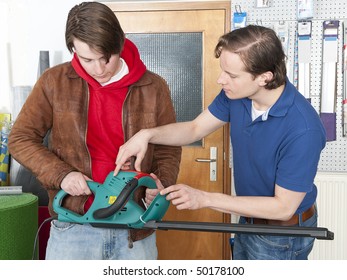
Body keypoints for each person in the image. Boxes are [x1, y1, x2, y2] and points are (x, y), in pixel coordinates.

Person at [115, 25, 326, 260]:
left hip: (283, 234)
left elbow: (283, 207)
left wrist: (205, 198)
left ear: (264, 78)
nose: (220, 80)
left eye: (232, 75)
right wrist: (146, 135)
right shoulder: (237, 96)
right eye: (223, 70)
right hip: (248, 219)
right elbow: (194, 129)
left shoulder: (303, 129)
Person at [8, 2, 181, 260]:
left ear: (120, 43)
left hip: (134, 230)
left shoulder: (154, 87)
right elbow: (20, 138)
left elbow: (168, 148)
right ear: (72, 48)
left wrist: (160, 184)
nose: (100, 69)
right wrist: (62, 175)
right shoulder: (53, 82)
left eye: (106, 57)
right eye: (88, 59)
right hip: (73, 227)